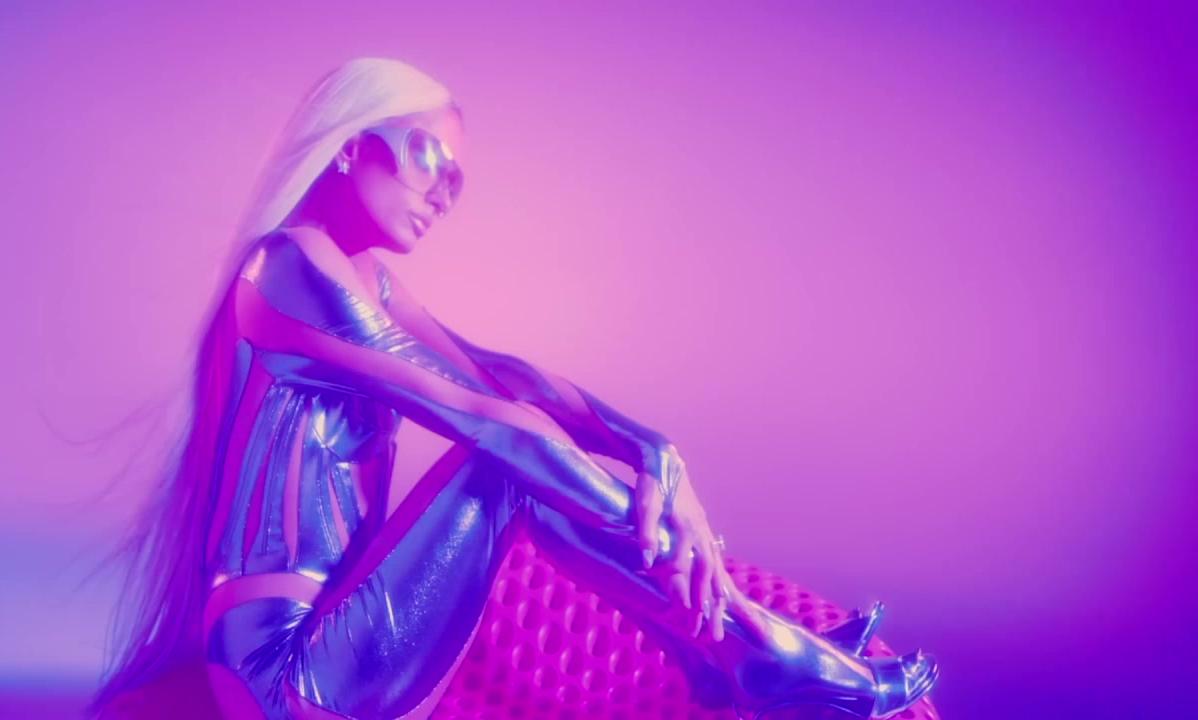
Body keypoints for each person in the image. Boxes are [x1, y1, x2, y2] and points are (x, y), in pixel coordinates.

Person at [88, 57, 938, 720]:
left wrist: (658, 454)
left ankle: (725, 659)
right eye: (428, 157)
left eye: (457, 178)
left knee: (515, 438)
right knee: (502, 457)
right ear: (350, 143)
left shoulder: (361, 279)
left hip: (344, 645)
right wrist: (686, 551)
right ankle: (756, 647)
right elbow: (492, 422)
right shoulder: (288, 268)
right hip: (288, 677)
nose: (445, 193)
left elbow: (508, 377)